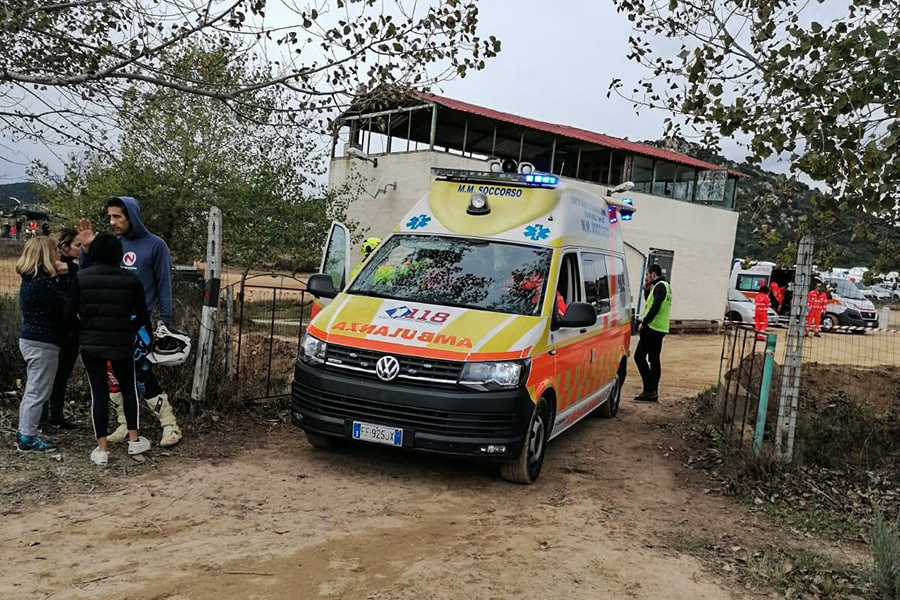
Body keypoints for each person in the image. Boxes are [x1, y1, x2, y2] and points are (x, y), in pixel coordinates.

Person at [76, 197, 182, 447]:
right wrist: (87, 249)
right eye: (110, 217)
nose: (112, 222)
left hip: (139, 324)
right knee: (112, 376)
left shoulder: (156, 246)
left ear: (131, 216)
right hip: (110, 323)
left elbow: (164, 285)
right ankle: (124, 424)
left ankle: (170, 425)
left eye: (117, 217)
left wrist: (163, 320)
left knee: (142, 374)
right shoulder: (114, 245)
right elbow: (88, 274)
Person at [66, 232, 152, 466]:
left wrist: (83, 331)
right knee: (129, 390)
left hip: (91, 344)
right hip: (122, 344)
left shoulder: (82, 278)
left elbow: (68, 314)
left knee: (99, 394)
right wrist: (129, 328)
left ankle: (102, 448)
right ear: (118, 253)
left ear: (93, 254)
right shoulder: (131, 280)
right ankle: (134, 440)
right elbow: (143, 316)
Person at [14, 237, 69, 453]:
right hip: (42, 343)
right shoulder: (42, 284)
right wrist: (64, 277)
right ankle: (27, 437)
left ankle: (24, 431)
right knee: (38, 391)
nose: (59, 253)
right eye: (55, 250)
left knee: (33, 389)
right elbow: (67, 302)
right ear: (45, 254)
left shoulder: (31, 280)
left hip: (32, 340)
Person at [39, 228, 82, 433]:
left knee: (62, 376)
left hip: (71, 332)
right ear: (64, 247)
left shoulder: (73, 269)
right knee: (48, 377)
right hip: (55, 332)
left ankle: (55, 417)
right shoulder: (52, 270)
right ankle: (42, 420)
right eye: (77, 246)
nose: (80, 250)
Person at [634, 264, 672, 402]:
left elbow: (655, 307)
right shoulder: (663, 286)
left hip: (653, 328)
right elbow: (651, 302)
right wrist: (646, 290)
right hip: (659, 328)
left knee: (640, 357)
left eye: (647, 274)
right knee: (653, 359)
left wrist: (644, 323)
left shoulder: (660, 286)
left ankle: (650, 389)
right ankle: (651, 391)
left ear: (653, 274)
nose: (646, 277)